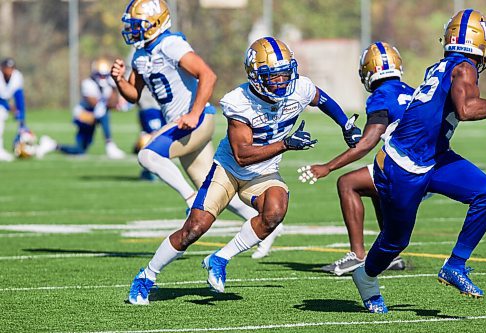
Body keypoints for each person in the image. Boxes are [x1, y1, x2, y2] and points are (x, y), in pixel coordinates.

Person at [126, 36, 361, 305]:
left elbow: (322, 98)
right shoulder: (238, 102)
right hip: (229, 170)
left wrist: (345, 125)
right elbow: (243, 155)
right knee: (195, 228)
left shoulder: (300, 88)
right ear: (255, 76)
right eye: (273, 77)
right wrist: (285, 143)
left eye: (285, 74)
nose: (281, 82)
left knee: (275, 212)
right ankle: (147, 276)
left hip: (263, 172)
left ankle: (220, 258)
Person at [351, 9, 486, 313]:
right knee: (395, 242)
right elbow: (466, 110)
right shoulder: (465, 68)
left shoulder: (444, 65)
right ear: (481, 42)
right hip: (406, 163)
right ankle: (365, 277)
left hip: (433, 153)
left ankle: (455, 265)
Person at [112, 0, 260, 242]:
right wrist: (119, 80)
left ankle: (191, 201)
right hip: (181, 125)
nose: (133, 30)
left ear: (156, 23)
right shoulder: (140, 54)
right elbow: (134, 94)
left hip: (196, 120)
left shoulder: (170, 44)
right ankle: (264, 224)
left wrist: (194, 113)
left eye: (139, 24)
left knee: (147, 155)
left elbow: (208, 75)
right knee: (212, 191)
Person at [298, 42, 413, 276]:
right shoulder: (412, 91)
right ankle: (390, 256)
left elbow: (366, 144)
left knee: (347, 183)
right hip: (429, 164)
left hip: (410, 170)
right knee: (375, 183)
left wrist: (328, 167)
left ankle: (357, 256)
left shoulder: (381, 95)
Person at [36, 58, 126, 159]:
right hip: (83, 115)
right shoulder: (88, 84)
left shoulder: (109, 84)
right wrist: (111, 103)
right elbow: (94, 103)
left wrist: (114, 88)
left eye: (105, 75)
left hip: (96, 114)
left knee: (80, 150)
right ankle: (109, 144)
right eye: (100, 75)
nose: (103, 78)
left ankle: (53, 145)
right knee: (104, 113)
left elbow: (113, 103)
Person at [0, 58, 27, 161]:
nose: (9, 70)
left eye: (11, 68)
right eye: (7, 68)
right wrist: (9, 107)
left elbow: (19, 97)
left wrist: (22, 117)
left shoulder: (17, 76)